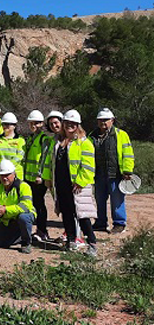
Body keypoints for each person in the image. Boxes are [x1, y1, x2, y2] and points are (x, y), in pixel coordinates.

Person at [43, 110, 98, 256]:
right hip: (61, 184)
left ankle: (91, 244)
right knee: (66, 213)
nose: (70, 126)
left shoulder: (84, 143)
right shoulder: (57, 142)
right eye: (67, 123)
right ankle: (71, 241)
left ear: (78, 125)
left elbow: (88, 166)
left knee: (83, 215)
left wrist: (80, 182)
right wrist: (48, 179)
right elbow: (50, 163)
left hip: (77, 186)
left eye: (73, 124)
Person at [89, 108, 135, 234]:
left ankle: (119, 224)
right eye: (100, 120)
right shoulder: (91, 136)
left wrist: (127, 170)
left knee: (117, 200)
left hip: (116, 174)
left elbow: (128, 154)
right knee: (99, 199)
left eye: (106, 120)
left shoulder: (121, 135)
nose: (103, 122)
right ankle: (100, 223)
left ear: (112, 120)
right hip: (98, 174)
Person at [0, 160, 36, 254]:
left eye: (7, 175)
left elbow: (26, 206)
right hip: (6, 219)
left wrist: (6, 210)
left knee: (24, 218)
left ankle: (26, 243)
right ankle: (18, 235)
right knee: (0, 243)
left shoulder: (23, 186)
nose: (4, 178)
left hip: (21, 216)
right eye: (2, 175)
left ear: (14, 174)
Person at [22, 110, 52, 241]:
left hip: (38, 179)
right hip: (29, 178)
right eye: (32, 123)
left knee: (39, 204)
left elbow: (44, 157)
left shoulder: (44, 139)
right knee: (32, 204)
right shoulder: (31, 138)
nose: (34, 125)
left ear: (42, 124)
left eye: (37, 123)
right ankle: (36, 230)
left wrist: (40, 175)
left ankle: (42, 230)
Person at [0, 113, 26, 181]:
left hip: (16, 174)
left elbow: (19, 157)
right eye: (4, 124)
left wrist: (7, 168)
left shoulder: (20, 140)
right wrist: (0, 167)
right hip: (0, 174)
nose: (5, 126)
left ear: (14, 126)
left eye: (8, 124)